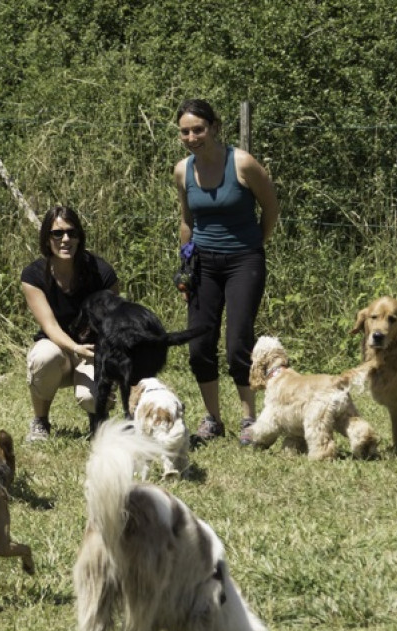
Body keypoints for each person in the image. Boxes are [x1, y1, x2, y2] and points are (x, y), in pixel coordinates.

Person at [173, 98, 279, 444]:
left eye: (198, 129)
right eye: (185, 132)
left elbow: (271, 208)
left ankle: (249, 419)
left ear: (214, 127)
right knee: (199, 345)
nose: (192, 137)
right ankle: (213, 420)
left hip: (243, 262)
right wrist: (184, 265)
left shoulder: (243, 163)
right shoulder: (182, 170)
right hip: (203, 263)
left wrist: (252, 247)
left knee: (237, 344)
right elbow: (187, 221)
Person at [19, 205, 120, 442]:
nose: (66, 239)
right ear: (47, 238)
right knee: (43, 357)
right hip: (58, 351)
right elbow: (50, 326)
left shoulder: (101, 272)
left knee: (90, 398)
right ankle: (40, 422)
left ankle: (98, 420)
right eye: (57, 233)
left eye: (72, 233)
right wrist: (75, 349)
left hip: (93, 352)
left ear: (79, 237)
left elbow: (115, 322)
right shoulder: (33, 275)